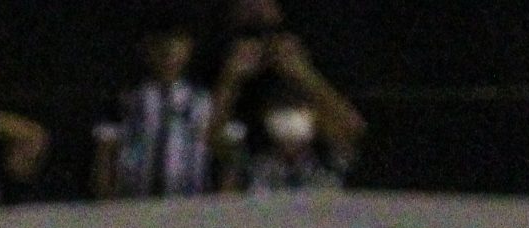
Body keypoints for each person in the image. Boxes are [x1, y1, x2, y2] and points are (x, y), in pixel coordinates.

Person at [213, 0, 364, 189]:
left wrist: (303, 73)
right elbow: (213, 141)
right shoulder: (256, 167)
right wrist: (231, 79)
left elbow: (352, 128)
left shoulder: (327, 163)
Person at [92, 19, 221, 199]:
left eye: (177, 47)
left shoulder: (201, 100)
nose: (168, 54)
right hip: (134, 202)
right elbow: (106, 148)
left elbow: (216, 144)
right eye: (159, 47)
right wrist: (105, 198)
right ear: (146, 50)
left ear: (189, 49)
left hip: (190, 203)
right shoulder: (129, 98)